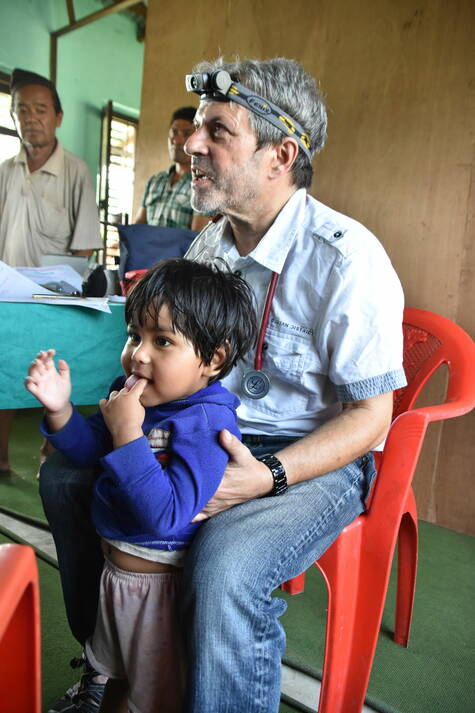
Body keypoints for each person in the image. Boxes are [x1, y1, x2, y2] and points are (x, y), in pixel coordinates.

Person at [40, 57, 407, 713]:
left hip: (311, 455)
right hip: (203, 430)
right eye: (195, 130)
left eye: (217, 130)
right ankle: (109, 663)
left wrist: (267, 476)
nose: (191, 144)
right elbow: (170, 371)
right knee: (70, 479)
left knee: (226, 564)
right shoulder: (207, 251)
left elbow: (370, 418)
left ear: (279, 155)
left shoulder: (346, 257)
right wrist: (85, 426)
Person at [26, 258, 257, 713]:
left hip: (157, 596)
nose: (139, 353)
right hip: (118, 582)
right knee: (119, 682)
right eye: (134, 335)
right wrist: (61, 412)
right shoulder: (139, 393)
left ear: (213, 359)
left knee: (154, 696)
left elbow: (166, 513)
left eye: (163, 341)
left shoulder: (205, 422)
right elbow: (93, 449)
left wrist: (128, 433)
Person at [0, 68, 102, 474]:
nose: (30, 118)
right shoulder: (4, 171)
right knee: (5, 370)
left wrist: (63, 291)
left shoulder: (75, 171)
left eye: (40, 109)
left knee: (55, 377)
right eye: (21, 110)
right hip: (7, 295)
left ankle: (51, 455)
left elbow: (84, 242)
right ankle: (1, 460)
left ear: (58, 117)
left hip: (55, 297)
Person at [134, 106, 212, 231]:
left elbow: (196, 239)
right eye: (174, 132)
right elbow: (139, 227)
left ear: (198, 139)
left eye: (186, 134)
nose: (177, 140)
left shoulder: (204, 185)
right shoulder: (155, 181)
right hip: (146, 251)